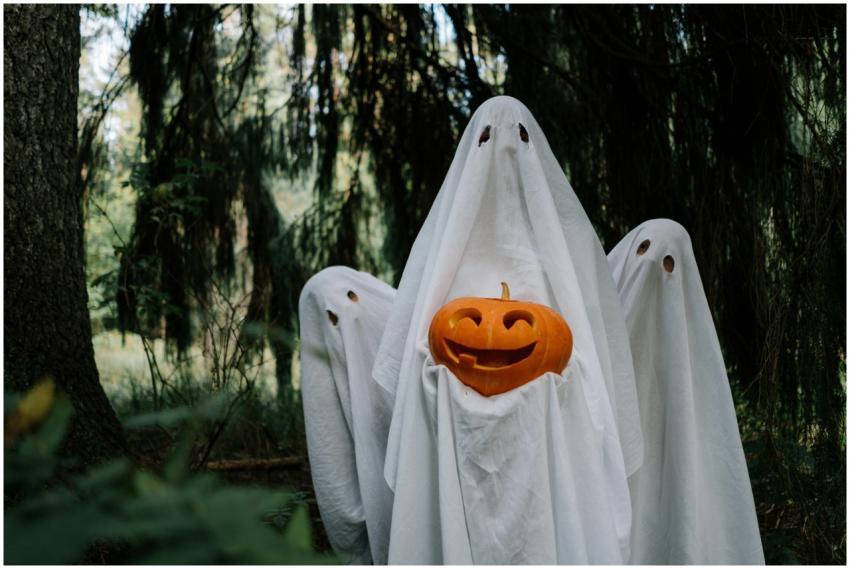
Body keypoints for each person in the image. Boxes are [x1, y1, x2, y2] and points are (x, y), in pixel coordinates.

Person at [372, 96, 643, 563]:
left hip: (550, 432)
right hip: (454, 425)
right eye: (485, 139)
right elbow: (414, 348)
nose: (501, 151)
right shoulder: (440, 244)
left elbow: (598, 356)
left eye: (518, 138)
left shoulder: (571, 241)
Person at [607, 219, 765, 564]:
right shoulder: (592, 347)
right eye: (644, 250)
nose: (652, 267)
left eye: (668, 264)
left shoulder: (693, 371)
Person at [298, 266, 396, 564]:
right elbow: (333, 464)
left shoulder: (397, 331)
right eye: (333, 314)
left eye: (354, 299)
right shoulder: (328, 351)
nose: (345, 314)